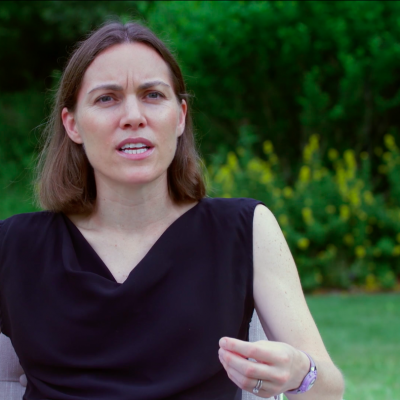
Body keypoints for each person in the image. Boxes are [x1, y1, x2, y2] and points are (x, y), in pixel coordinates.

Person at [0, 21, 344, 400]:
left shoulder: (244, 229)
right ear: (73, 124)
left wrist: (301, 372)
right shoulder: (13, 245)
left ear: (180, 116)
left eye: (152, 95)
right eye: (106, 98)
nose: (133, 116)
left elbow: (329, 389)